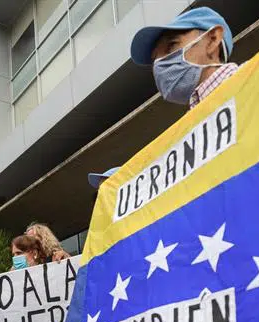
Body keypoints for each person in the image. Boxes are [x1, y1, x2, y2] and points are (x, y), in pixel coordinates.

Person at [88, 8, 237, 190]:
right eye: (155, 60)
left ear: (213, 39)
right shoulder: (189, 135)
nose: (160, 65)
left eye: (171, 46)